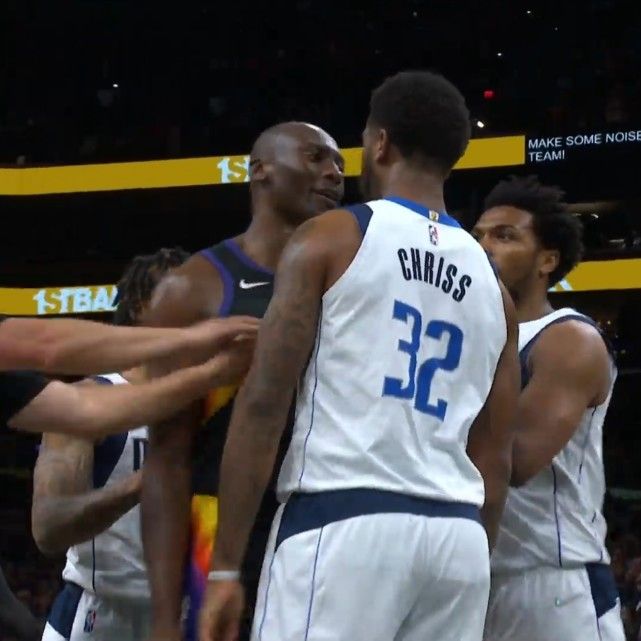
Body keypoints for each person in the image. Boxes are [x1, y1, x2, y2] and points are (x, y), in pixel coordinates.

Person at [199, 70, 519, 641]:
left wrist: (224, 566)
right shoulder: (497, 291)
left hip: (344, 517)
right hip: (459, 537)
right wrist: (474, 565)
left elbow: (264, 403)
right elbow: (494, 457)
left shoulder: (330, 237)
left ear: (381, 143)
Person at [140, 121, 345, 641]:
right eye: (316, 157)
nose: (334, 173)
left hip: (324, 522)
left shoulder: (351, 282)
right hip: (220, 527)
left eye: (339, 164)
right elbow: (166, 459)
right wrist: (163, 617)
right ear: (260, 171)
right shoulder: (194, 288)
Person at [472, 175, 625, 641]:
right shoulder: (469, 338)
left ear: (547, 261)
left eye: (504, 236)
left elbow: (516, 461)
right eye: (479, 235)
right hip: (474, 569)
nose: (483, 246)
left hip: (552, 581)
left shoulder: (568, 338)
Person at [32, 248, 189, 641]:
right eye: (182, 291)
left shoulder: (212, 408)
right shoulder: (88, 401)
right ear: (139, 306)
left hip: (179, 617)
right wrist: (141, 483)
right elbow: (48, 528)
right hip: (96, 616)